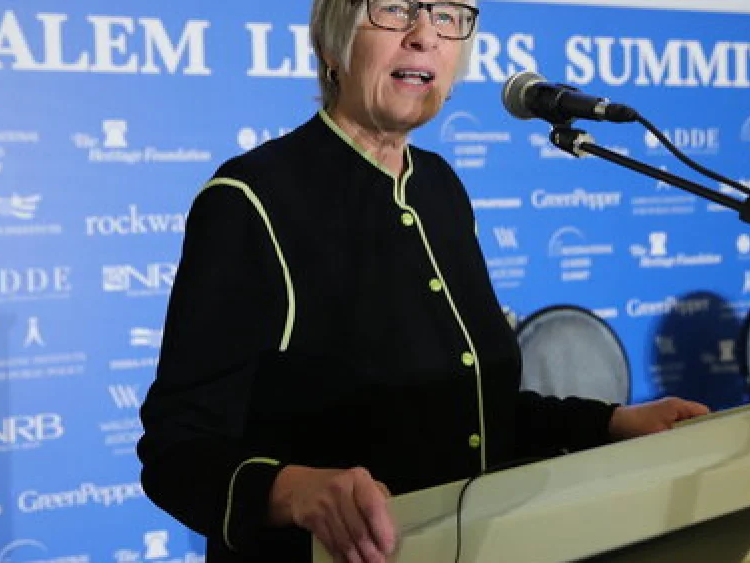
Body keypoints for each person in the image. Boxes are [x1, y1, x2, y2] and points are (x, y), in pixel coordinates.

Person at [136, 1, 710, 562]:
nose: (424, 34)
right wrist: (293, 491)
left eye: (447, 15)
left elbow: (472, 410)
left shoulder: (439, 187)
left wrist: (611, 422)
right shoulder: (251, 200)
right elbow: (176, 449)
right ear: (330, 45)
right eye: (394, 9)